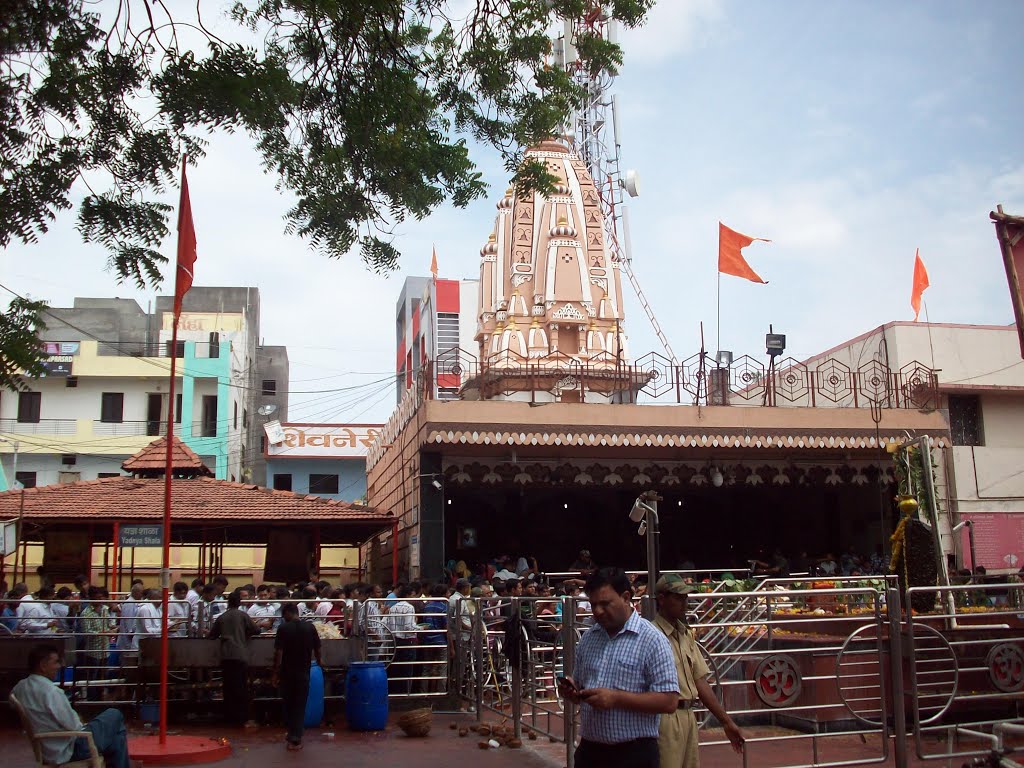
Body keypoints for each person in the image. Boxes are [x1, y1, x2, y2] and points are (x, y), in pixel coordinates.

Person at [558, 567, 679, 768]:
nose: (597, 611)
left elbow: (669, 701)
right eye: (593, 604)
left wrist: (616, 699)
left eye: (605, 604)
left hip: (633, 754)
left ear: (625, 597)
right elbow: (580, 683)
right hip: (590, 751)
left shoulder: (652, 640)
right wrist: (572, 691)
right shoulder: (589, 638)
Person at [653, 574, 744, 768]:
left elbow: (700, 680)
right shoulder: (652, 635)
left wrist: (725, 721)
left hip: (688, 715)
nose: (684, 603)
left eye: (685, 598)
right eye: (678, 598)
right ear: (661, 599)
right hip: (665, 718)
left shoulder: (685, 634)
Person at [12, 644, 131, 768]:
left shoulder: (20, 687)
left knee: (116, 738)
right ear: (42, 665)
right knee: (114, 714)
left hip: (47, 750)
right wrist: (82, 722)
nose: (59, 666)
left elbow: (12, 701)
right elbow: (75, 726)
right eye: (56, 662)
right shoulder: (51, 692)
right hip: (68, 750)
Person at [272, 603, 322, 751]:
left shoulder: (283, 628)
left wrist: (275, 672)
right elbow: (318, 647)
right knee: (300, 705)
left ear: (288, 613)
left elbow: (278, 653)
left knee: (288, 703)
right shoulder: (310, 627)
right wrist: (319, 661)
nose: (283, 618)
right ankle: (296, 737)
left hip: (287, 673)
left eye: (283, 615)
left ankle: (293, 736)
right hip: (304, 672)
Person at [209, 590, 260, 727]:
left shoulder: (222, 617)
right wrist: (245, 633)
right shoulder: (243, 615)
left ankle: (229, 717)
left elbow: (212, 635)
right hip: (240, 655)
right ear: (239, 603)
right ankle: (241, 717)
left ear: (228, 602)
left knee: (228, 687)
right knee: (241, 687)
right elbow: (257, 630)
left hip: (226, 656)